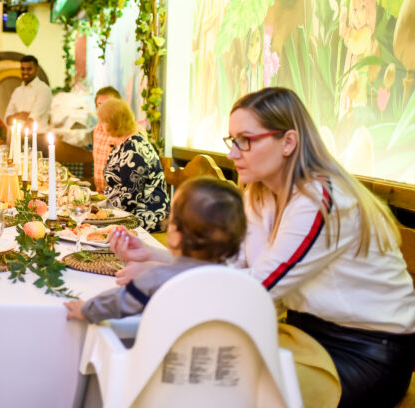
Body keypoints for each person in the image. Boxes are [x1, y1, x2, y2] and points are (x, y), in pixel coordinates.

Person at [112, 87, 415, 408]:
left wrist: (164, 277)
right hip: (304, 334)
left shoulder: (320, 199)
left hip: (365, 354)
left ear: (288, 142)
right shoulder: (261, 194)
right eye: (232, 140)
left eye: (246, 140)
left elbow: (258, 289)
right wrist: (157, 256)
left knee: (206, 382)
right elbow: (234, 265)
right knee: (180, 364)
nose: (233, 153)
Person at [65, 177, 245, 322]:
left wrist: (85, 309)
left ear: (176, 233)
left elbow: (117, 302)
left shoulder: (157, 277)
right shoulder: (236, 280)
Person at [98, 98, 169, 233]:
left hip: (144, 216)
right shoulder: (125, 142)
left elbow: (130, 199)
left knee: (89, 228)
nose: (101, 125)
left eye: (103, 121)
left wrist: (101, 213)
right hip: (126, 212)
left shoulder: (134, 149)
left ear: (114, 123)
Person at [4, 55, 52, 130]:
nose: (25, 72)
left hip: (39, 135)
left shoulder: (44, 89)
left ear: (37, 69)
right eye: (23, 69)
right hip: (18, 135)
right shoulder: (17, 91)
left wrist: (16, 116)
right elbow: (7, 119)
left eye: (29, 69)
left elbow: (32, 119)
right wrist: (20, 115)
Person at [92, 86, 124, 193]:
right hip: (100, 194)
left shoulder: (126, 132)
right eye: (100, 105)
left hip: (119, 195)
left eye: (108, 104)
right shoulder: (97, 129)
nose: (103, 109)